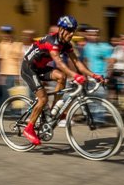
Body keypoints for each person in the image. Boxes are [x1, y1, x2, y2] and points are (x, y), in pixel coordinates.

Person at [20, 15, 104, 146]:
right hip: (28, 68)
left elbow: (77, 62)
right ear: (61, 29)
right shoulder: (51, 41)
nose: (71, 34)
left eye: (73, 31)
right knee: (43, 99)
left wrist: (94, 75)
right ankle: (29, 128)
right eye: (69, 30)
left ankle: (54, 110)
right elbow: (59, 63)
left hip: (41, 68)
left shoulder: (65, 44)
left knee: (61, 77)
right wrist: (75, 76)